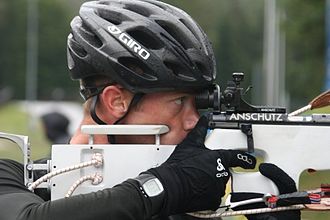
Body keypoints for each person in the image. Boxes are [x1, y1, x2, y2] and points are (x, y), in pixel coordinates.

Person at [0, 0, 300, 219]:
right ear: (116, 101)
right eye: (179, 102)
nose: (194, 120)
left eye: (198, 103)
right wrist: (164, 187)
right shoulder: (13, 176)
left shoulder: (185, 204)